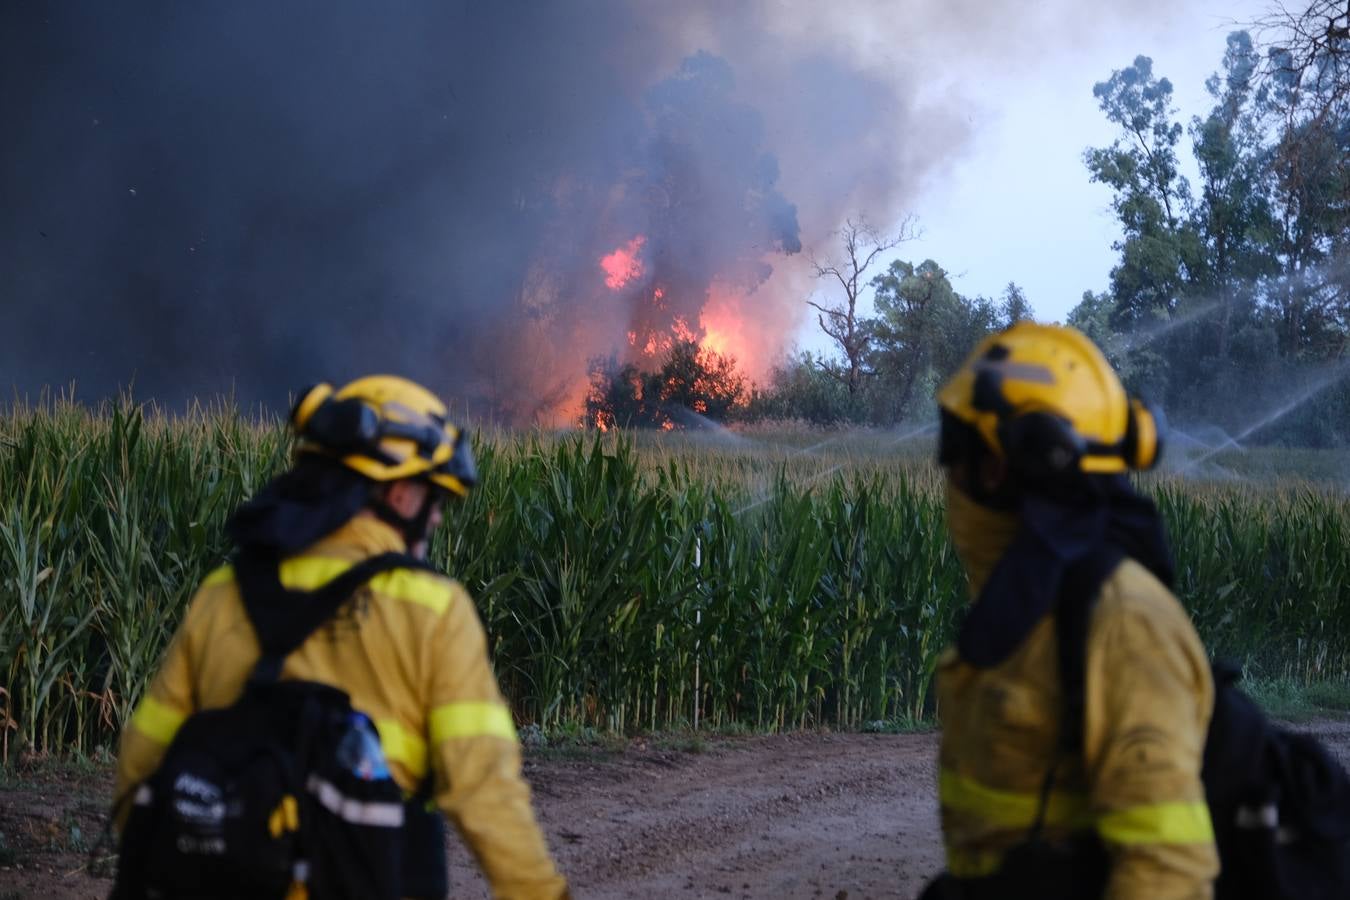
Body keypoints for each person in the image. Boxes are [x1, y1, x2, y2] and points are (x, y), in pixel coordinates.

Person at [114, 375, 569, 900]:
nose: (438, 514)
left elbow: (142, 760)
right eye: (433, 493)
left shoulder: (223, 595)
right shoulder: (433, 610)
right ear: (399, 490)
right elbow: (484, 789)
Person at [923, 323, 1217, 899]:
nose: (949, 478)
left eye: (958, 454)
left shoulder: (1123, 619)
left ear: (1003, 467)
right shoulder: (1027, 603)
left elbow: (1167, 872)